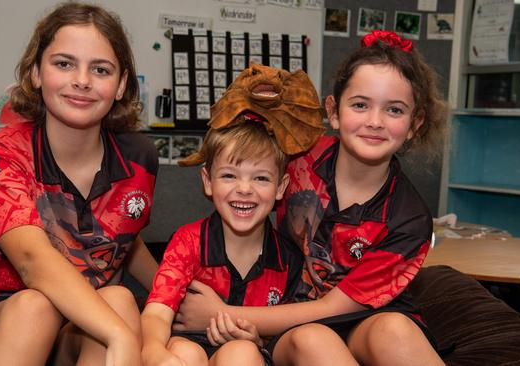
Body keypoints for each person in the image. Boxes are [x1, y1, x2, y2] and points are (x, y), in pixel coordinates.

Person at [172, 30, 448, 366]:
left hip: (366, 319)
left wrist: (222, 314)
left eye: (394, 110)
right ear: (333, 111)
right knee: (314, 337)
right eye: (360, 105)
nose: (375, 122)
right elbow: (237, 169)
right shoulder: (297, 158)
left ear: (414, 123)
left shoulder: (410, 218)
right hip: (292, 319)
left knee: (396, 329)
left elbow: (334, 309)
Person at [0, 3, 158, 366]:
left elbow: (122, 236)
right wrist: (119, 334)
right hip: (5, 315)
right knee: (39, 305)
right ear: (35, 73)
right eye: (64, 63)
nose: (82, 80)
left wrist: (170, 293)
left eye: (101, 69)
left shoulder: (139, 158)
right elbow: (33, 261)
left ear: (121, 84)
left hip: (80, 326)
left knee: (120, 299)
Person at [141, 64, 325, 366]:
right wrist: (156, 354)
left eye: (261, 179)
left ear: (281, 188)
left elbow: (287, 338)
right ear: (207, 182)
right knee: (182, 353)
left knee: (241, 354)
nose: (244, 189)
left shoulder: (289, 259)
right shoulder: (188, 242)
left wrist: (258, 340)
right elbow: (156, 313)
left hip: (244, 357)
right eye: (229, 175)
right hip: (188, 352)